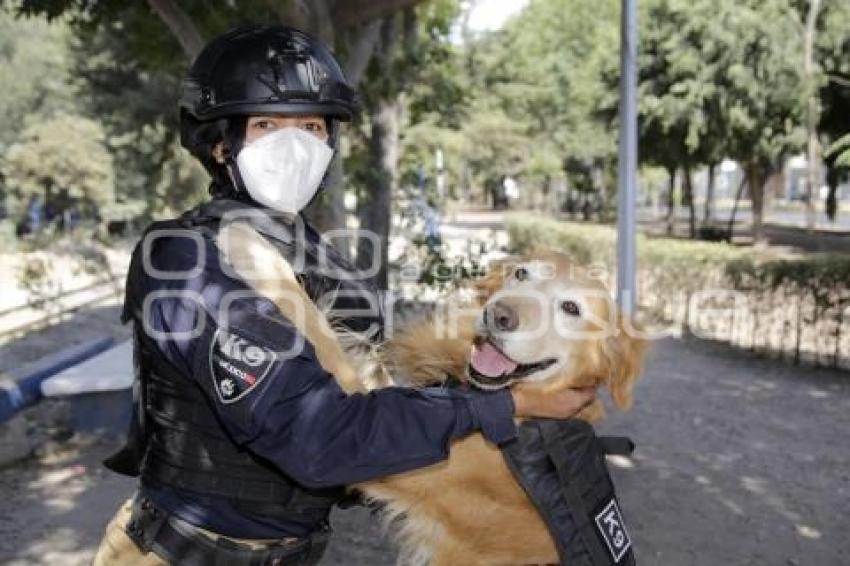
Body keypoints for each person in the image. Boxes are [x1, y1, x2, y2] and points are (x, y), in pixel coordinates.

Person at [93, 24, 595, 565]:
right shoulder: (186, 259)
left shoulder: (312, 256)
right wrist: (504, 405)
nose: (295, 146)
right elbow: (322, 437)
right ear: (220, 143)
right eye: (266, 125)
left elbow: (370, 410)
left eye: (311, 126)